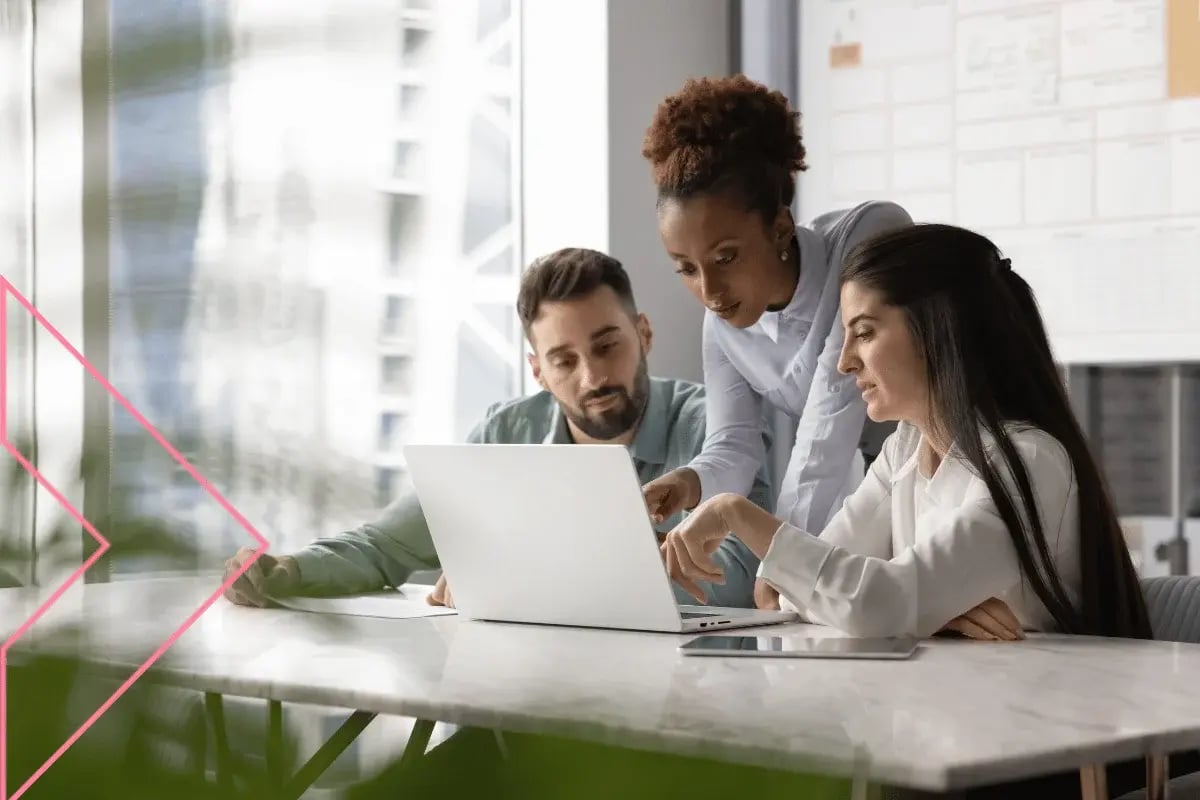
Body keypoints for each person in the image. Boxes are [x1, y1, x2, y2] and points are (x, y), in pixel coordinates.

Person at [662, 223, 1151, 642]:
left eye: (866, 332)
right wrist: (930, 615)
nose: (844, 360)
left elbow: (876, 602)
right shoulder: (904, 451)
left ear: (938, 329)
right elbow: (784, 593)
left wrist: (735, 513)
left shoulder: (1030, 460)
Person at [223, 247, 771, 610]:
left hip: (684, 713)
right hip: (532, 706)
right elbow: (384, 546)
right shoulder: (508, 430)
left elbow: (740, 580)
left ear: (643, 334)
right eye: (564, 360)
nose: (594, 375)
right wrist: (289, 571)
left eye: (608, 345)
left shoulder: (718, 427)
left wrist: (513, 577)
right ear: (537, 369)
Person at [638, 75, 912, 615]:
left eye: (726, 257)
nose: (709, 292)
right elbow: (735, 445)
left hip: (963, 469)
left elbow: (829, 423)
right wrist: (688, 483)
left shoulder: (866, 237)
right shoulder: (722, 330)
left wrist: (782, 560)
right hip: (883, 489)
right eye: (686, 269)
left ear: (781, 227)